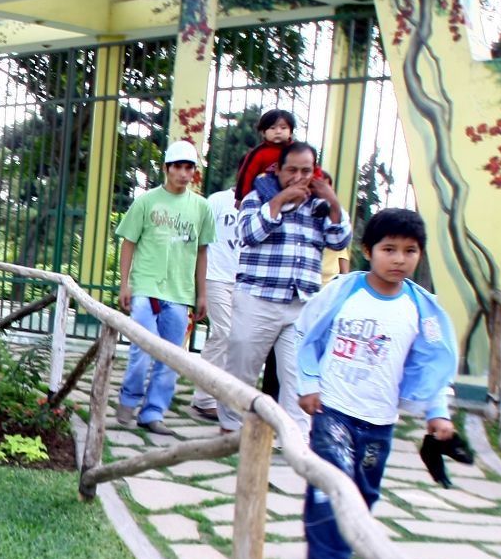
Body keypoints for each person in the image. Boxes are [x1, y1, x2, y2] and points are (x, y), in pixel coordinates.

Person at [295, 208, 458, 559]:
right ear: (368, 251)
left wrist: (438, 412)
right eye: (389, 249)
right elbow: (308, 336)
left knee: (364, 492)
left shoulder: (422, 309)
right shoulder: (344, 292)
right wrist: (308, 383)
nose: (399, 259)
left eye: (410, 251)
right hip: (333, 410)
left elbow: (431, 364)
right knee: (331, 484)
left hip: (379, 421)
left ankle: (343, 543)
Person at [217, 142, 351, 438]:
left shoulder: (318, 205)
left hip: (301, 303)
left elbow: (339, 241)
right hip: (258, 299)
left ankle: (294, 438)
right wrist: (279, 202)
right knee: (242, 367)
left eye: (306, 170)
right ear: (278, 169)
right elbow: (248, 234)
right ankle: (231, 427)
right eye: (292, 170)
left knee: (297, 375)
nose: (298, 177)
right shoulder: (256, 198)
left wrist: (334, 203)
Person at [115, 140, 216, 436]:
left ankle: (153, 412)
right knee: (141, 351)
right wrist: (125, 284)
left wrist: (201, 293)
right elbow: (129, 242)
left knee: (171, 358)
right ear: (167, 169)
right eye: (178, 167)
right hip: (146, 287)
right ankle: (128, 400)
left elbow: (202, 252)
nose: (184, 174)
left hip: (180, 293)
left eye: (189, 168)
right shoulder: (146, 202)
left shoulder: (201, 207)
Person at [188, 186, 241, 422]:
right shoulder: (219, 200)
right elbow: (201, 240)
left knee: (239, 340)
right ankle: (204, 398)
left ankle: (225, 396)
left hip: (245, 282)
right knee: (224, 333)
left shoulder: (262, 203)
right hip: (217, 276)